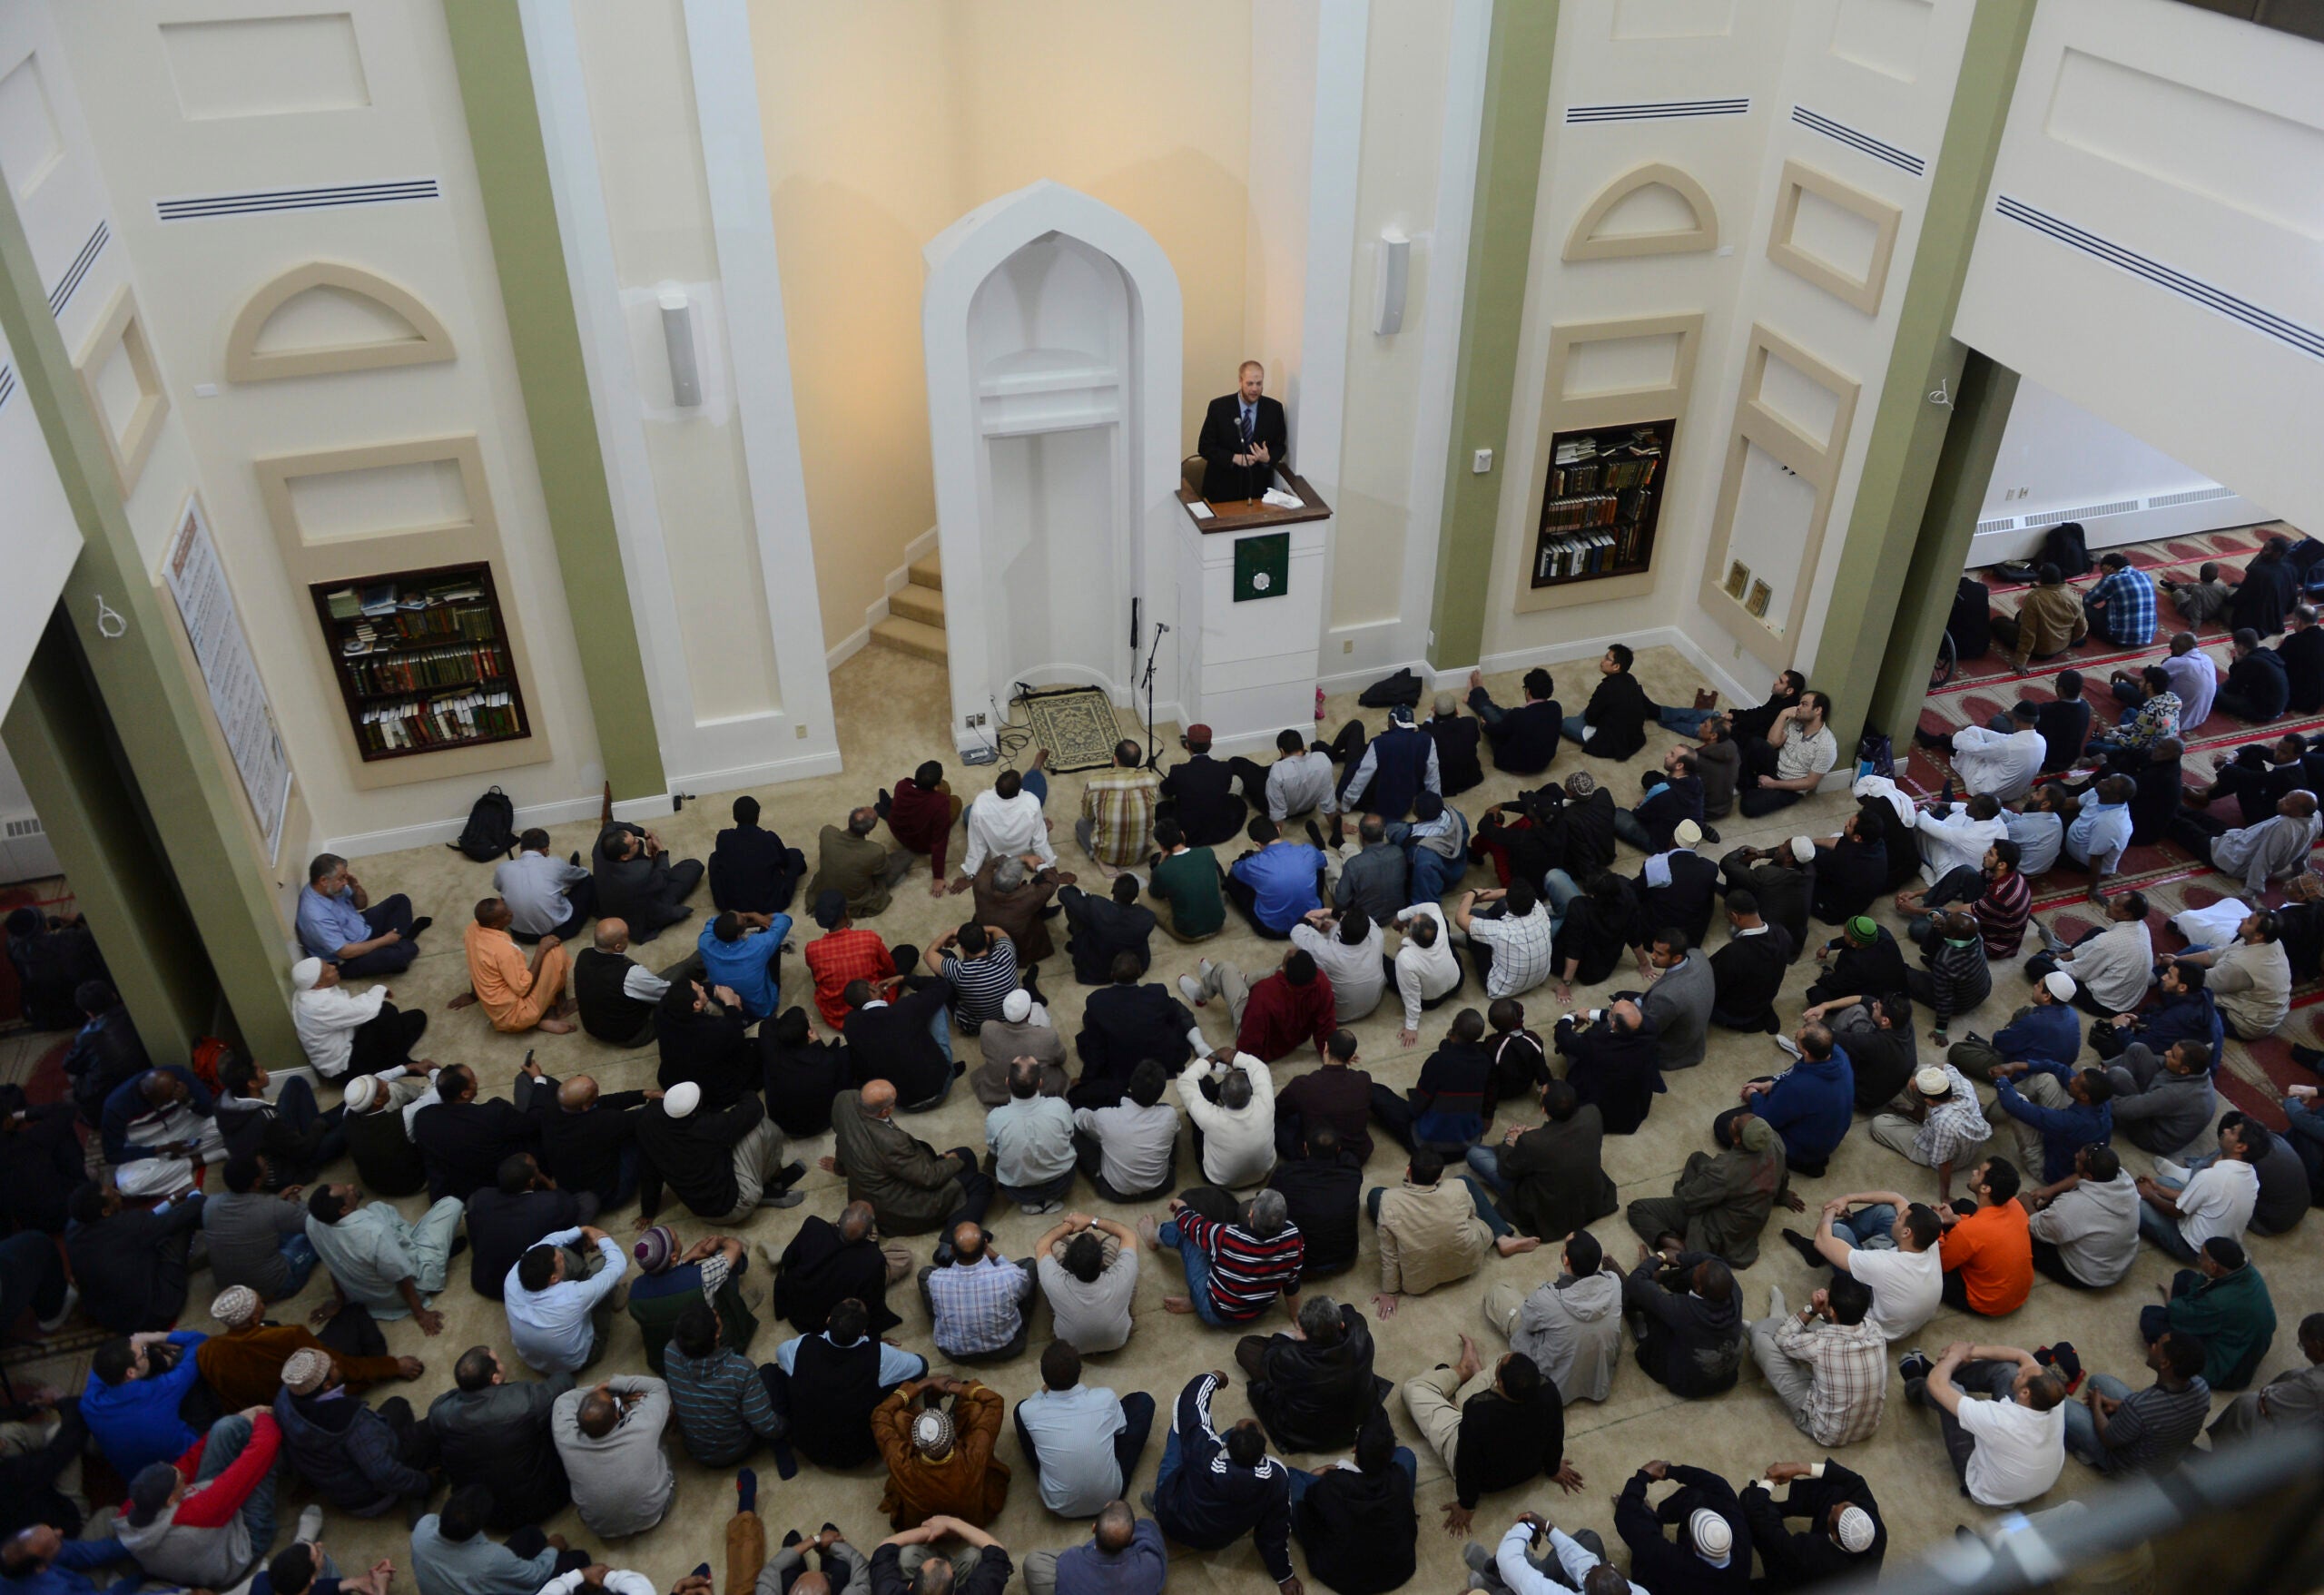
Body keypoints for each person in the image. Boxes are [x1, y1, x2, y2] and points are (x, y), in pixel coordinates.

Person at [1403, 1336, 1579, 1539]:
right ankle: (1471, 1377)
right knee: (1503, 1359)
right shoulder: (1548, 1391)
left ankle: (1462, 1371)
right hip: (1529, 1466)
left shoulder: (1478, 1411)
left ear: (1501, 1384)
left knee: (1413, 1390)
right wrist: (1553, 1467)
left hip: (1488, 1479)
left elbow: (1468, 1461)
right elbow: (1557, 1431)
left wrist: (1466, 1504)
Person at [1147, 1373, 1299, 1594]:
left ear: (1226, 1445)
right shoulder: (1276, 1477)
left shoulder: (1204, 1454)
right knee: (1209, 1431)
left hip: (1170, 1516)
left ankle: (1156, 1502)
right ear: (1263, 1450)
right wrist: (1284, 1576)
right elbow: (1275, 1530)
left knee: (1181, 1414)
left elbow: (1191, 1403)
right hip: (1215, 1541)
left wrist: (1214, 1377)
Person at [116, 1409, 288, 1591]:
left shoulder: (130, 1511)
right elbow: (264, 1448)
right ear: (171, 1499)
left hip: (202, 1545)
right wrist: (263, 1415)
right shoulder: (196, 1514)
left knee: (226, 1428)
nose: (182, 1474)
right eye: (181, 1480)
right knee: (256, 1455)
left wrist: (242, 1415)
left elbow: (188, 1462)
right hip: (244, 1543)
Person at [269, 1346, 434, 1521]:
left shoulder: (284, 1398)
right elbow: (384, 1474)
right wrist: (425, 1483)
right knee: (433, 1427)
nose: (335, 1363)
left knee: (397, 1406)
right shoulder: (350, 1423)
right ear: (327, 1385)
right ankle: (415, 1495)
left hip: (340, 1491)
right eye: (331, 1367)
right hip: (372, 1498)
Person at [1899, 1342, 2066, 1507]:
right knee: (2008, 1369)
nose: (2021, 1370)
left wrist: (1953, 1357)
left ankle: (1914, 1385)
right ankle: (1943, 1371)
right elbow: (2022, 1356)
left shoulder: (2000, 1421)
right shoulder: (2053, 1400)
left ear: (2025, 1393)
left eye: (2023, 1375)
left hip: (1985, 1487)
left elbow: (1937, 1386)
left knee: (1947, 1389)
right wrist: (1967, 1352)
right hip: (2032, 1482)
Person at [196, 1285, 412, 1412]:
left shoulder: (207, 1352)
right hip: (310, 1395)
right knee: (354, 1312)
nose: (263, 1302)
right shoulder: (287, 1336)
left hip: (281, 1408)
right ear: (254, 1317)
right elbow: (340, 1364)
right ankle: (377, 1367)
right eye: (260, 1302)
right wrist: (391, 1366)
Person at [1369, 1149, 1534, 1314]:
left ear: (1408, 1170)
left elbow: (1389, 1253)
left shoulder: (1390, 1199)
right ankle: (1502, 1237)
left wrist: (1390, 1292)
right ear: (1440, 1177)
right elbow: (1472, 1215)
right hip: (1469, 1263)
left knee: (1375, 1195)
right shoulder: (1457, 1187)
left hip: (1417, 1282)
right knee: (1465, 1181)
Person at [426, 1346, 573, 1531]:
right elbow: (564, 1382)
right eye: (499, 1361)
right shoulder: (523, 1401)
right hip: (544, 1503)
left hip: (482, 1515)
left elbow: (449, 1398)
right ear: (495, 1378)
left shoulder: (440, 1412)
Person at [824, 1081, 993, 1237]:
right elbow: (929, 1178)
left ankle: (959, 1207)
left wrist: (841, 1167)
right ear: (885, 1111)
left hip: (870, 1193)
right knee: (980, 1181)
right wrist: (954, 1160)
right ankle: (952, 1240)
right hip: (898, 1207)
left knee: (965, 1156)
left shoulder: (843, 1100)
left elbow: (843, 1138)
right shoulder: (892, 1142)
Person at [1627, 1109, 1788, 1268]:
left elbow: (1688, 1200)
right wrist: (1783, 1197)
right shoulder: (1775, 1142)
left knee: (1638, 1209)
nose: (1734, 1118)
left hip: (1720, 1229)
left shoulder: (1725, 1171)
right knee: (1697, 1158)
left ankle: (1684, 1251)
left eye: (1735, 1122)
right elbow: (1783, 1175)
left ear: (1738, 1140)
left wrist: (1701, 1186)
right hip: (1746, 1220)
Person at [1012, 1342, 1154, 1521]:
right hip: (1110, 1498)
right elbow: (1121, 1430)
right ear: (1080, 1371)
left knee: (1019, 1411)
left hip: (1059, 1505)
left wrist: (1043, 1392)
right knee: (1143, 1402)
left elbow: (1028, 1407)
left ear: (1045, 1378)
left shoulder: (1029, 1410)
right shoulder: (1104, 1397)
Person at [303, 1179, 464, 1334]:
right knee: (452, 1204)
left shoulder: (312, 1222)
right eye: (347, 1191)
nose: (351, 1186)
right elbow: (402, 1277)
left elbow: (332, 1261)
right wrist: (420, 1314)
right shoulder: (373, 1233)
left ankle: (413, 1242)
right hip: (406, 1289)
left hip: (366, 1296)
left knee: (377, 1207)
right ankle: (435, 1249)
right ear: (344, 1209)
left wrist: (339, 1300)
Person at [1783, 1193, 1944, 1341]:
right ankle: (1826, 1253)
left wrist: (1831, 1210)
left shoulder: (1885, 1265)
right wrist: (1846, 1199)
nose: (1897, 1218)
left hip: (1875, 1324)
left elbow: (1821, 1241)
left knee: (1836, 1231)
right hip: (1906, 1315)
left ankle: (1819, 1254)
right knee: (1886, 1212)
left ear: (1907, 1232)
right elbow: (1897, 1199)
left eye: (1899, 1219)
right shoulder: (1929, 1240)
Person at [1748, 1276, 1886, 1447]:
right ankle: (1779, 1319)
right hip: (1868, 1427)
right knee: (1814, 1332)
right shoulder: (1876, 1330)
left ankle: (1771, 1321)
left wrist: (1812, 1309)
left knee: (1762, 1335)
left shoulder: (1821, 1344)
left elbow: (1781, 1339)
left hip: (1824, 1431)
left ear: (1833, 1311)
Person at [1475, 1079, 1618, 1242]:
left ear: (1543, 1109)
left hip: (1551, 1208)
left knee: (1476, 1154)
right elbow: (1562, 1132)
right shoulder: (1592, 1113)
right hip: (1590, 1198)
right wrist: (1531, 1132)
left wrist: (1510, 1140)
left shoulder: (1532, 1143)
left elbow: (1507, 1169)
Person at [637, 1081, 800, 1223]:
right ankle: (771, 1181)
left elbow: (649, 1169)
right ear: (695, 1112)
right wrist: (745, 1090)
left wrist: (648, 1210)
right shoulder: (706, 1127)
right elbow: (753, 1109)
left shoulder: (648, 1121)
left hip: (700, 1210)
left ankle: (762, 1182)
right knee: (761, 1126)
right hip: (734, 1206)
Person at [1141, 1187, 1304, 1326]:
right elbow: (1291, 1282)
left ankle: (1152, 1237)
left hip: (1214, 1312)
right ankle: (1197, 1300)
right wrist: (1296, 1315)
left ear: (1251, 1214)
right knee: (1215, 1249)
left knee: (1189, 1237)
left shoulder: (1228, 1236)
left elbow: (1191, 1225)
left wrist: (1181, 1207)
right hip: (1258, 1311)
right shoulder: (1293, 1237)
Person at [2061, 1332, 2210, 1476]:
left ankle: (2090, 1456)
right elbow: (2149, 1414)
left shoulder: (2141, 1406)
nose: (2151, 1346)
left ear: (2165, 1363)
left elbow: (2108, 1439)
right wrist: (2118, 1405)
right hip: (2164, 1455)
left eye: (2156, 1345)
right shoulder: (2201, 1387)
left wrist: (2096, 1406)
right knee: (2099, 1381)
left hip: (2129, 1469)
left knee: (2062, 1408)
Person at [872, 1374, 1009, 1530]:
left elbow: (880, 1414)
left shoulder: (900, 1461)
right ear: (954, 1437)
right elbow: (994, 1401)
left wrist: (925, 1383)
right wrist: (954, 1387)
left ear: (916, 1444)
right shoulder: (975, 1453)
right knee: (976, 1407)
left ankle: (931, 1398)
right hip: (971, 1519)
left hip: (921, 1524)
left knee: (898, 1417)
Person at [2142, 1236, 2277, 1390]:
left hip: (2227, 1371)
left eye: (2202, 1258)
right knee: (2184, 1277)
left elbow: (2179, 1315)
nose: (2199, 1260)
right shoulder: (2249, 1272)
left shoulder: (2218, 1302)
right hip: (2242, 1341)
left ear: (2213, 1267)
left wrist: (2171, 1300)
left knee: (2150, 1317)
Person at [408, 1482, 587, 1595]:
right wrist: (552, 1549)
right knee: (580, 1559)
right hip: (486, 1576)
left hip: (464, 1582)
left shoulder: (423, 1526)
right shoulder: (490, 1559)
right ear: (479, 1527)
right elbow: (535, 1576)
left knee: (531, 1534)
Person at [626, 1227, 761, 1376]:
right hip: (709, 1351)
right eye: (675, 1238)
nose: (677, 1237)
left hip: (668, 1363)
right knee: (727, 1262)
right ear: (673, 1256)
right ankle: (738, 1308)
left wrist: (687, 1257)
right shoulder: (702, 1277)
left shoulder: (635, 1292)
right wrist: (721, 1240)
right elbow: (734, 1248)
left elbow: (667, 1279)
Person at [551, 1376, 674, 1539]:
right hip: (653, 1516)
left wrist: (602, 1397)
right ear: (618, 1414)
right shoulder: (642, 1425)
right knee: (658, 1436)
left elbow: (564, 1399)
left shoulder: (564, 1436)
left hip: (600, 1529)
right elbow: (658, 1386)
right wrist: (610, 1386)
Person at [1738, 1460, 1885, 1591]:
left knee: (1754, 1510)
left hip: (1814, 1584)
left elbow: (1770, 1531)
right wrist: (1799, 1468)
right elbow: (1854, 1480)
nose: (1833, 1507)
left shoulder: (1812, 1554)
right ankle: (1782, 1508)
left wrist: (1766, 1485)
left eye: (1833, 1513)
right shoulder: (1875, 1528)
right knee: (1837, 1489)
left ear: (1833, 1535)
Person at [82, 1329, 208, 1481]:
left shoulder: (89, 1403)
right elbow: (199, 1341)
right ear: (131, 1373)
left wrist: (134, 1345)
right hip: (190, 1467)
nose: (145, 1351)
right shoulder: (161, 1388)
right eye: (143, 1352)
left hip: (141, 1483)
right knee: (186, 1362)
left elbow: (101, 1366)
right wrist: (156, 1338)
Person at [506, 1224, 629, 1376]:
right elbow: (618, 1265)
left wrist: (584, 1230)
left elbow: (549, 1241)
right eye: (560, 1261)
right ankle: (613, 1295)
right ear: (554, 1278)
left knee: (560, 1251)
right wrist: (602, 1237)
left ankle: (584, 1275)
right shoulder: (572, 1297)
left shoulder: (512, 1278)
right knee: (603, 1265)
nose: (562, 1256)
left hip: (535, 1362)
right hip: (578, 1361)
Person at [773, 1201, 911, 1337]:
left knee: (814, 1239)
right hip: (824, 1322)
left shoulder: (813, 1226)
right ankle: (868, 1236)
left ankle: (776, 1252)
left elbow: (788, 1259)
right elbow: (870, 1302)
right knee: (903, 1256)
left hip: (795, 1304)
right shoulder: (873, 1260)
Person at [1621, 1248, 1744, 1397]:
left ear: (1698, 1289)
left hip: (1687, 1384)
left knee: (1649, 1302)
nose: (1697, 1269)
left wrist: (1658, 1258)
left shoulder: (1682, 1310)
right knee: (1688, 1273)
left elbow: (1635, 1283)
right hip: (1725, 1379)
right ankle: (1658, 1277)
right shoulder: (1734, 1292)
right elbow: (1712, 1260)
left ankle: (1637, 1284)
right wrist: (1680, 1258)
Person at [2136, 1117, 2262, 1261]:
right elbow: (2204, 1195)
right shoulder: (2251, 1175)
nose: (2226, 1130)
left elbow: (2177, 1212)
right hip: (2214, 1238)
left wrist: (2150, 1195)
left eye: (2232, 1131)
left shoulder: (2212, 1176)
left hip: (2192, 1248)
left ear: (2241, 1147)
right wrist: (2157, 1189)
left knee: (2134, 1201)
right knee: (2162, 1182)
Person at [1181, 948, 1337, 1064]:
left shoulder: (1265, 993)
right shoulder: (1321, 981)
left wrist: (1246, 1064)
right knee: (1272, 969)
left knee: (1225, 969)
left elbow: (1250, 1042)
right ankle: (1236, 979)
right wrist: (1331, 1053)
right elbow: (1326, 1023)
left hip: (1266, 1048)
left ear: (1286, 972)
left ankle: (1202, 992)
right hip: (1296, 1037)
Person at [1612, 1460, 1748, 1593]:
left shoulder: (1676, 1563)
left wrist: (1642, 1476)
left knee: (1644, 1551)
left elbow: (1627, 1517)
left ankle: (1651, 1517)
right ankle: (1657, 1515)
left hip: (1678, 1586)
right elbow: (1719, 1486)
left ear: (1693, 1546)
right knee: (1696, 1497)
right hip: (1726, 1581)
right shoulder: (1740, 1537)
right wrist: (1669, 1472)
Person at [411, 1064, 538, 1203]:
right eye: (473, 1080)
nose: (477, 1080)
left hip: (455, 1193)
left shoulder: (423, 1117)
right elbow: (532, 1125)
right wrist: (539, 1080)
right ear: (465, 1093)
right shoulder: (494, 1113)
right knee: (525, 1080)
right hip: (502, 1184)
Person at [1374, 1007, 1497, 1150]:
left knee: (1376, 1091)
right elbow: (1489, 1095)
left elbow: (1416, 1108)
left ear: (1454, 1028)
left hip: (1427, 1143)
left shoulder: (1438, 1061)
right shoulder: (1485, 1062)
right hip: (1469, 1142)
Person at [205, 1156, 323, 1303]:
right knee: (315, 1234)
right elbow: (316, 1223)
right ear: (257, 1181)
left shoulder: (210, 1203)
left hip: (231, 1292)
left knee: (272, 1229)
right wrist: (293, 1204)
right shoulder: (272, 1207)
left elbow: (252, 1217)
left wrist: (279, 1201)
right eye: (266, 1166)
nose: (268, 1165)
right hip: (276, 1286)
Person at [2024, 1142, 2142, 1289]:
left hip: (2089, 1276)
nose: (2075, 1156)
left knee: (2019, 1235)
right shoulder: (2123, 1178)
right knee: (2056, 1206)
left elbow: (2035, 1227)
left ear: (2088, 1176)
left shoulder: (2076, 1205)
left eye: (2078, 1159)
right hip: (2117, 1262)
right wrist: (2050, 1190)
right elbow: (2080, 1179)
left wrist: (2025, 1201)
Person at [592, 791, 704, 942]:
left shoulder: (600, 848)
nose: (638, 841)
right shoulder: (639, 873)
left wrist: (642, 832)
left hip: (611, 901)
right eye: (634, 843)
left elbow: (612, 825)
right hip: (638, 916)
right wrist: (660, 852)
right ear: (624, 856)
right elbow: (662, 879)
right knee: (693, 866)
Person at [1742, 1022, 1853, 1175]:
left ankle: (1804, 1164)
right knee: (1764, 1081)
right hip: (1826, 1132)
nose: (1795, 1033)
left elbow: (1766, 1119)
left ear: (1806, 1052)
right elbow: (1798, 1071)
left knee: (1727, 1124)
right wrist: (1772, 1084)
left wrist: (1754, 1096)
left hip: (1803, 1150)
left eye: (1797, 1037)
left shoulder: (1798, 1086)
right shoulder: (1838, 1053)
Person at [531, 1069, 651, 1211]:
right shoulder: (603, 1122)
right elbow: (646, 1117)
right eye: (595, 1093)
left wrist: (642, 1094)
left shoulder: (551, 1110)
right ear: (585, 1106)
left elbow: (601, 1103)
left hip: (573, 1190)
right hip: (610, 1196)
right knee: (643, 1128)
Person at [842, 970, 960, 1112]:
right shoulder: (906, 1007)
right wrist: (904, 978)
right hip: (940, 1086)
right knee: (935, 1002)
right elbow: (941, 986)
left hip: (900, 1101)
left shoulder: (851, 1025)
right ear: (872, 989)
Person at [290, 957, 428, 1079]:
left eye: (329, 965)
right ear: (318, 984)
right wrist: (379, 988)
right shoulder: (318, 1004)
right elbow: (369, 1009)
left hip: (351, 1039)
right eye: (329, 970)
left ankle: (388, 1063)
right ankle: (400, 1065)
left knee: (417, 1017)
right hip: (345, 1068)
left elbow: (352, 1009)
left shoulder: (307, 990)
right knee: (385, 1011)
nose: (334, 967)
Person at [99, 1063, 222, 1199]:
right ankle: (206, 1157)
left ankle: (173, 1167)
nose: (166, 1105)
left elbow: (211, 1110)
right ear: (147, 1095)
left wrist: (188, 1100)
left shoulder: (180, 1076)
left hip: (186, 1128)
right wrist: (160, 1149)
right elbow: (112, 1154)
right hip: (150, 1147)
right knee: (128, 1185)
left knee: (225, 1123)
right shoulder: (115, 1107)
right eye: (163, 1103)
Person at [2171, 791, 2323, 897]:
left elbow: (2264, 858)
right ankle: (2173, 803)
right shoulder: (2315, 817)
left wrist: (2252, 890)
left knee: (2183, 827)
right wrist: (2300, 869)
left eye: (2287, 803)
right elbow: (2306, 847)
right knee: (2204, 819)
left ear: (2299, 813)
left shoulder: (2284, 827)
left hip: (2230, 859)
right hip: (2239, 840)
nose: (2280, 801)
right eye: (2285, 798)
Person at [297, 853, 428, 975]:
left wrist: (356, 888)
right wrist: (383, 941)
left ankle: (396, 944)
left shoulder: (330, 887)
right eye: (341, 878)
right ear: (323, 880)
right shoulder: (315, 916)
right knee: (407, 950)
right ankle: (398, 943)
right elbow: (345, 952)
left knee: (400, 900)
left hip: (361, 926)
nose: (345, 882)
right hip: (349, 956)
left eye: (345, 877)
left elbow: (361, 904)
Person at [919, 1223, 1032, 1364]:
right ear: (985, 1245)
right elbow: (1023, 1287)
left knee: (924, 1274)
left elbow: (929, 1276)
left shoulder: (936, 1280)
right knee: (1029, 1266)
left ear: (952, 1250)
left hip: (955, 1354)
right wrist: (996, 1257)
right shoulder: (1011, 1276)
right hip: (1009, 1347)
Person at [2207, 1311, 2324, 1447]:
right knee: (2293, 1374)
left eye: (2304, 1345)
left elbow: (2269, 1403)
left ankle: (2222, 1456)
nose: (2304, 1352)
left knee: (2246, 1404)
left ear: (2318, 1345)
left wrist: (2266, 1395)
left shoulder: (2314, 1384)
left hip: (2314, 1437)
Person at [1072, 1058, 1179, 1204]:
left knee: (1073, 1128)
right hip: (1161, 1186)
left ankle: (1099, 1172)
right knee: (1173, 1126)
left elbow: (1079, 1117)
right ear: (1160, 1093)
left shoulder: (1105, 1116)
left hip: (1116, 1192)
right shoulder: (1170, 1114)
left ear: (1130, 1085)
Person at [1936, 1156, 2034, 1316]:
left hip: (1989, 1302)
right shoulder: (2015, 1205)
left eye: (1979, 1172)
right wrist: (1954, 1219)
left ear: (1985, 1189)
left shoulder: (1969, 1230)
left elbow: (1941, 1263)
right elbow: (1988, 1230)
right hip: (2018, 1292)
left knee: (1926, 1261)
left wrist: (1937, 1225)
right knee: (1963, 1206)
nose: (1974, 1172)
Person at [461, 899, 576, 1035]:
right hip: (518, 1015)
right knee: (555, 951)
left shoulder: (472, 929)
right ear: (495, 924)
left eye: (507, 908)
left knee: (537, 968)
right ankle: (559, 1009)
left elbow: (475, 964)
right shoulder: (503, 951)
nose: (511, 912)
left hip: (500, 1016)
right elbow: (523, 988)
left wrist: (474, 995)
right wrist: (541, 950)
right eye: (506, 914)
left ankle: (543, 1016)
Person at [1035, 1212, 1140, 1354]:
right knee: (1116, 1242)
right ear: (1102, 1261)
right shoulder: (1120, 1277)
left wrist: (1068, 1225)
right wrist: (1090, 1220)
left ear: (1069, 1266)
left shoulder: (1056, 1282)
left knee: (1055, 1245)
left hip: (1069, 1346)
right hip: (1117, 1341)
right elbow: (1128, 1235)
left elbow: (1042, 1244)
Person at [1556, 1001, 1665, 1137]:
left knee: (1572, 1053)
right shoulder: (1650, 1028)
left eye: (1611, 1008)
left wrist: (1570, 1016)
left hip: (1602, 1106)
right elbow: (1615, 1017)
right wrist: (1590, 1014)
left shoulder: (1596, 1044)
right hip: (1631, 1108)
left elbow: (1564, 1038)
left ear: (1613, 1025)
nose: (1611, 1004)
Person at [1267, 1126, 1364, 1277]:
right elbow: (1349, 1158)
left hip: (1302, 1266)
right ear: (1339, 1150)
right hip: (1346, 1260)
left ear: (1305, 1147)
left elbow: (1267, 1201)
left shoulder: (1287, 1174)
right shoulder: (1352, 1172)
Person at [984, 1058, 1078, 1214]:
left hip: (1018, 1192)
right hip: (1062, 1184)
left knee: (995, 1151)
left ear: (1007, 1082)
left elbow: (994, 1151)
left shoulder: (996, 1118)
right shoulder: (1059, 1106)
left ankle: (1033, 1202)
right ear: (1040, 1083)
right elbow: (1071, 1135)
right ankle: (1049, 1201)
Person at [1177, 1049, 1278, 1187]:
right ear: (1250, 1092)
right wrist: (1234, 1056)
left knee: (1203, 1084)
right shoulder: (1266, 1101)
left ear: (1222, 1097)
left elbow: (1185, 1081)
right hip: (1262, 1174)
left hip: (1220, 1180)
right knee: (1245, 1074)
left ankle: (1210, 1087)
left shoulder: (1210, 1118)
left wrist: (1211, 1059)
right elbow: (1259, 1067)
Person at [657, 977, 759, 1111]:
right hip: (711, 1090)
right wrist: (730, 1004)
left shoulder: (662, 1012)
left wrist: (714, 991)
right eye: (702, 991)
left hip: (673, 1077)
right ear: (697, 1005)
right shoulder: (711, 1032)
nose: (704, 988)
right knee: (759, 1041)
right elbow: (736, 1034)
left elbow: (699, 989)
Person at [1273, 1027, 1374, 1162]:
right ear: (1351, 1057)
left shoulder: (1303, 1085)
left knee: (1274, 1121)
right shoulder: (1364, 1080)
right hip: (1355, 1154)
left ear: (1325, 1048)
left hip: (1313, 1155)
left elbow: (1277, 1110)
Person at [1198, 359, 1288, 502]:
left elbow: (1280, 446)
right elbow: (1205, 447)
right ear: (1240, 381)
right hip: (1221, 489)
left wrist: (1268, 458)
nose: (1254, 389)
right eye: (1250, 383)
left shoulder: (1274, 409)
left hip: (1258, 492)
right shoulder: (1219, 408)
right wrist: (1234, 458)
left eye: (1259, 384)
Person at [1738, 693, 1837, 818]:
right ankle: (1750, 786)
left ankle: (1753, 788)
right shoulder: (1795, 722)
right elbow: (1773, 743)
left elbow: (1810, 783)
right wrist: (1783, 714)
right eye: (1799, 703)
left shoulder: (1826, 745)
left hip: (1790, 786)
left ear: (1818, 710)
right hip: (1776, 766)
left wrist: (1773, 784)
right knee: (1756, 743)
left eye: (1804, 704)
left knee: (1748, 807)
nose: (1798, 707)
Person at [1226, 816, 1328, 939]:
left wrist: (1246, 859)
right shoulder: (1308, 851)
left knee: (1232, 881)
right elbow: (1324, 862)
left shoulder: (1253, 864)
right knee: (1317, 866)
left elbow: (1235, 870)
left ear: (1257, 844)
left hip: (1272, 930)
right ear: (1278, 830)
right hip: (1312, 921)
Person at [1456, 879, 1557, 1001]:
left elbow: (1461, 919)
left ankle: (1471, 939)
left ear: (1509, 905)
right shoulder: (1539, 908)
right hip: (1539, 979)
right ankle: (1478, 932)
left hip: (1500, 989)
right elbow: (1507, 893)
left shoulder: (1501, 931)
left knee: (1476, 914)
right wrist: (1482, 897)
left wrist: (1472, 894)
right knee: (1500, 904)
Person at [1708, 891, 1793, 1034]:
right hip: (1763, 1001)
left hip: (1736, 1014)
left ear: (1734, 916)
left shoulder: (1734, 953)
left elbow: (1711, 987)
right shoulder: (1782, 933)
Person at [708, 793, 807, 915]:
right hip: (771, 904)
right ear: (757, 816)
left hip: (730, 905)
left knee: (714, 858)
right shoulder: (769, 838)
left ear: (734, 817)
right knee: (795, 855)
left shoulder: (724, 837)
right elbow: (785, 861)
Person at [810, 806, 913, 920]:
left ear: (849, 820)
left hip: (825, 893)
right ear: (869, 830)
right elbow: (882, 870)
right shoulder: (875, 851)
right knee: (906, 856)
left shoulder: (827, 832)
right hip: (856, 900)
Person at [969, 988, 1067, 1108]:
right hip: (1035, 1090)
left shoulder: (987, 1028)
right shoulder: (1047, 1036)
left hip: (995, 1092)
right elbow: (1061, 1058)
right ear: (1030, 1014)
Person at [339, 1073, 429, 1199]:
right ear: (377, 1101)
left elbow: (375, 1079)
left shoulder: (348, 1112)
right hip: (413, 1184)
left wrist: (407, 1068)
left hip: (372, 1183)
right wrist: (435, 1073)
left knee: (393, 1088)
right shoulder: (403, 1120)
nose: (386, 1084)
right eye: (382, 1087)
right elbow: (435, 1096)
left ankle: (420, 1091)